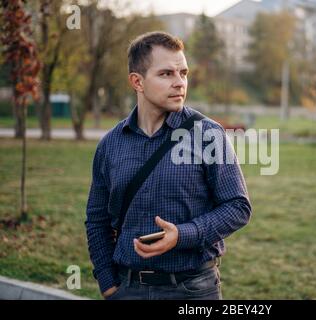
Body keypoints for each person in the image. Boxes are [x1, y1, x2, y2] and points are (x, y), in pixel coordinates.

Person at [85, 31, 252, 300]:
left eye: (183, 73)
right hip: (128, 289)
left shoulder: (207, 134)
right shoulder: (110, 144)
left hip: (194, 289)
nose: (180, 83)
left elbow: (238, 207)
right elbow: (97, 219)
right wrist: (108, 284)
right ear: (137, 81)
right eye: (166, 74)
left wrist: (183, 235)